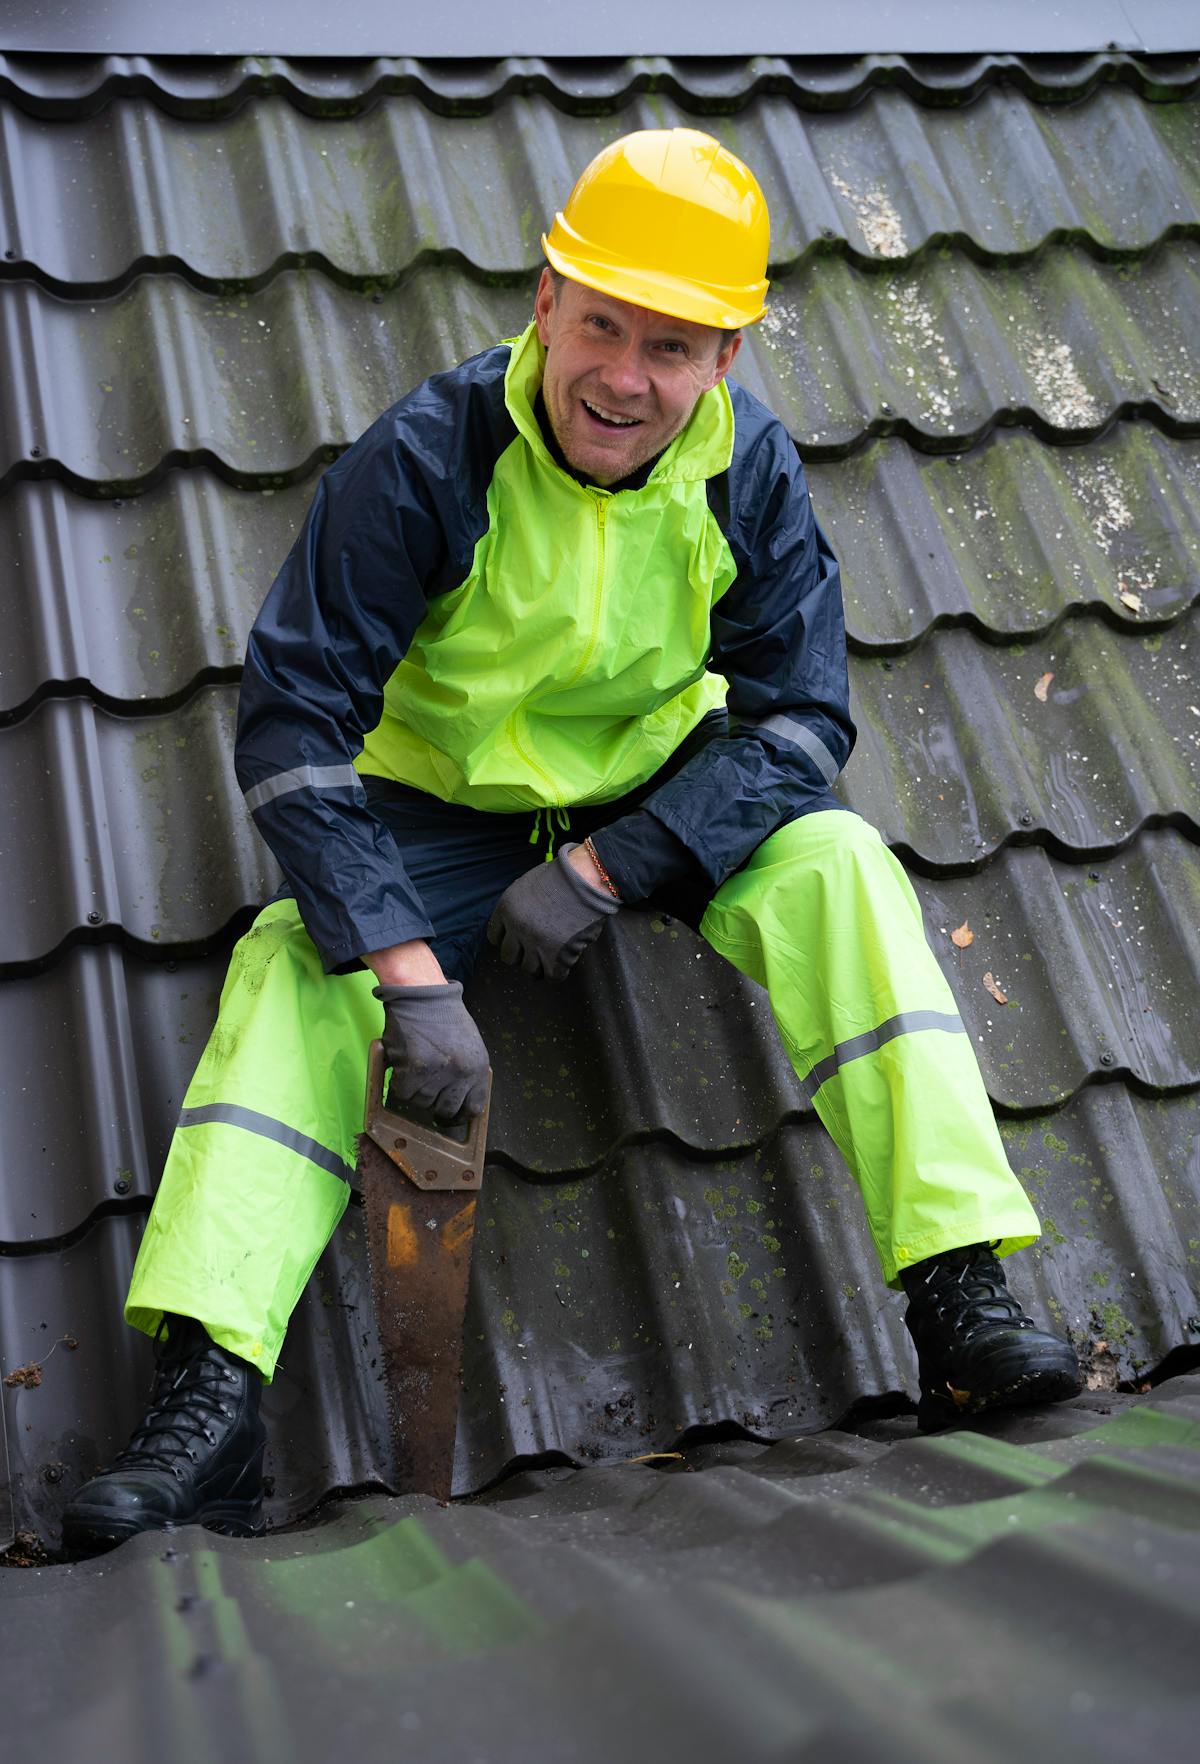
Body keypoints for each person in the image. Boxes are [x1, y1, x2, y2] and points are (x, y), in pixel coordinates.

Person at [63, 129, 1080, 1554]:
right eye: (603, 325)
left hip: (649, 803)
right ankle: (210, 1396)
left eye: (672, 347)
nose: (625, 376)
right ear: (545, 299)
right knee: (294, 968)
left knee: (844, 866)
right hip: (440, 815)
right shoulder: (428, 456)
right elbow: (294, 724)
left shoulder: (749, 471)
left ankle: (959, 1296)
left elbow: (798, 722)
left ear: (723, 357)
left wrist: (615, 869)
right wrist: (415, 980)